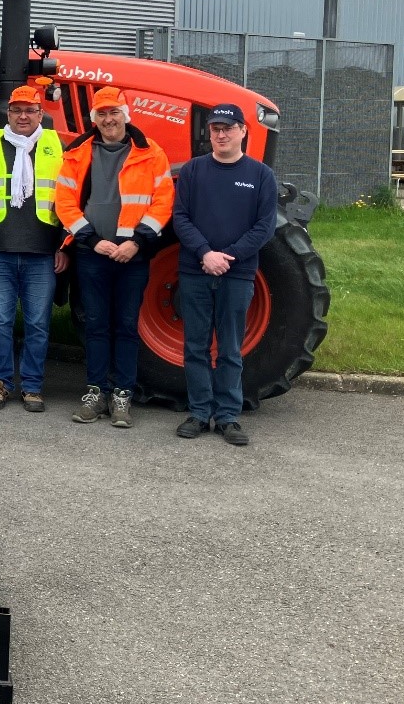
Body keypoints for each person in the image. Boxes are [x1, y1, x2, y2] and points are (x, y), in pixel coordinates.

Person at [55, 86, 173, 428]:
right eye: (102, 114)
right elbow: (64, 202)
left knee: (125, 325)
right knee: (96, 325)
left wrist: (136, 242)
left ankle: (122, 395)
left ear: (126, 115)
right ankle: (95, 392)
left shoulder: (152, 153)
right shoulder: (77, 152)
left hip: (131, 255)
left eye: (114, 113)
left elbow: (163, 201)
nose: (109, 120)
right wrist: (92, 240)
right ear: (94, 119)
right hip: (93, 253)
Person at [172, 103, 277, 446]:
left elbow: (264, 227)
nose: (220, 134)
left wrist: (227, 257)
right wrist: (205, 253)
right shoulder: (193, 171)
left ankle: (228, 416)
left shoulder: (261, 175)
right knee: (196, 345)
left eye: (228, 128)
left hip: (237, 273)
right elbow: (181, 218)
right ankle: (200, 412)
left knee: (230, 347)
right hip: (195, 270)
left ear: (243, 132)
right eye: (215, 129)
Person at [0, 85, 68, 413]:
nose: (23, 116)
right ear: (7, 114)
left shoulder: (57, 145)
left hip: (42, 251)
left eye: (30, 111)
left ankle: (32, 386)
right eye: (16, 111)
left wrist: (64, 245)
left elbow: (69, 198)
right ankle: (0, 382)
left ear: (41, 114)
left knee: (39, 323)